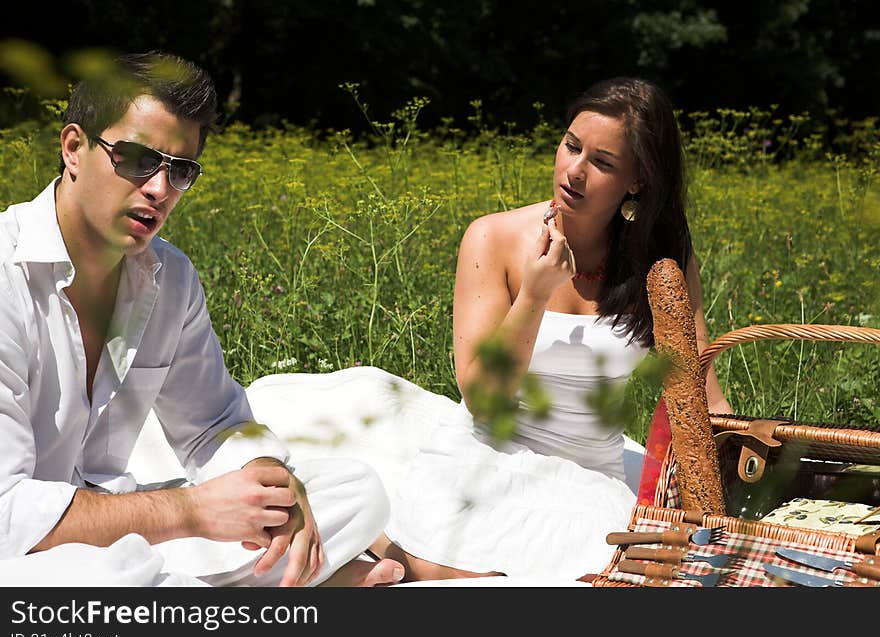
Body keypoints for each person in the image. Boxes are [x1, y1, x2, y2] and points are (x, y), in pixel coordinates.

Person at [242, 76, 732, 583]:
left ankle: (409, 561)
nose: (575, 171)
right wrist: (535, 295)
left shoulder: (661, 261)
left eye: (603, 163)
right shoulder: (492, 237)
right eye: (571, 146)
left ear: (637, 182)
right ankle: (404, 554)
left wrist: (741, 471)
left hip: (592, 467)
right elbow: (482, 397)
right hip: (491, 448)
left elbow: (700, 390)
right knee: (491, 552)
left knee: (604, 557)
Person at [0, 51, 403, 587]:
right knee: (98, 581)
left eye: (180, 170)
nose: (159, 190)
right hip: (21, 550)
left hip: (112, 525)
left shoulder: (169, 277)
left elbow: (215, 423)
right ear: (74, 148)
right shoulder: (6, 274)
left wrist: (267, 477)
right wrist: (189, 512)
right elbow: (7, 513)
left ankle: (193, 596)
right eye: (138, 159)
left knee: (354, 492)